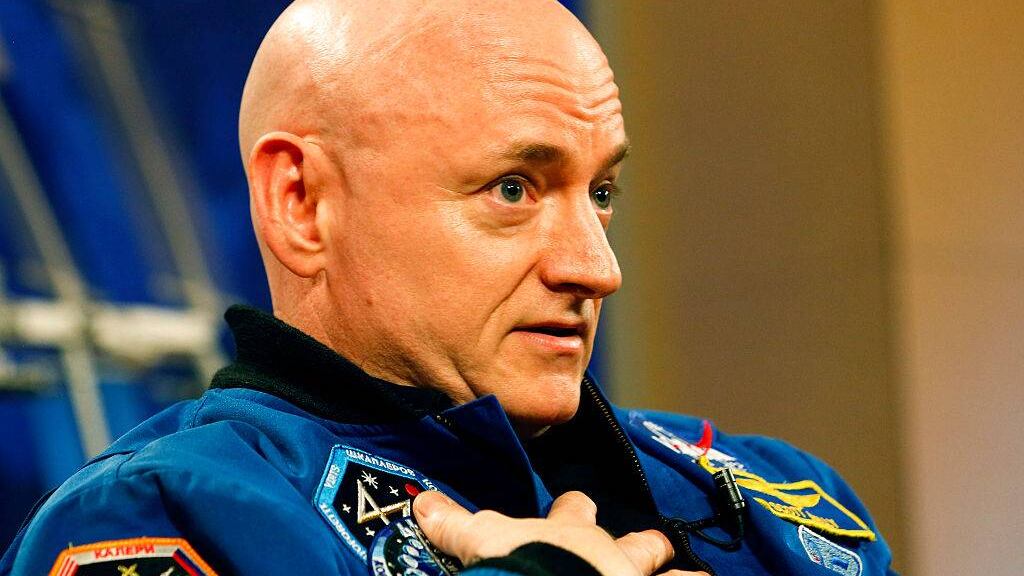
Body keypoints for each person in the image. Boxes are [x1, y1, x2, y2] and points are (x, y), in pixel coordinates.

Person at [1, 0, 897, 574]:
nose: (597, 268)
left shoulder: (775, 495)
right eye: (513, 189)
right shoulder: (161, 515)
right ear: (302, 203)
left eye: (602, 192)